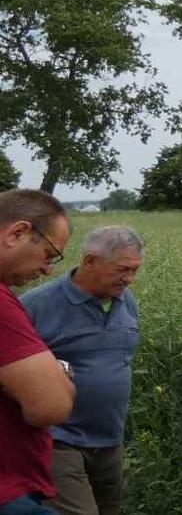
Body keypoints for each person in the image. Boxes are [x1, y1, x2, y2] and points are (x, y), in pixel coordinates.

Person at [21, 226, 144, 515]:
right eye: (122, 269)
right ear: (89, 261)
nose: (129, 279)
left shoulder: (126, 301)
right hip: (57, 440)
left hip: (110, 440)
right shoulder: (37, 305)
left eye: (135, 270)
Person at [0, 190, 74, 515]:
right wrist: (62, 374)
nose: (47, 270)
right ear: (17, 233)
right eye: (49, 254)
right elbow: (50, 407)